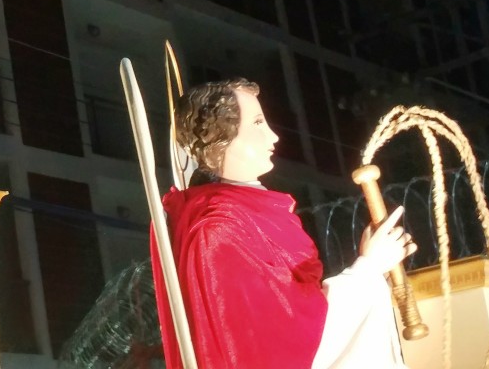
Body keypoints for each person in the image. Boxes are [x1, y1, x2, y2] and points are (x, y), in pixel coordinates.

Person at [152, 78, 416, 368]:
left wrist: (368, 264)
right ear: (220, 137)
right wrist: (369, 267)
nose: (273, 136)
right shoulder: (218, 231)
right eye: (257, 124)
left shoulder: (240, 214)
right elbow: (285, 345)